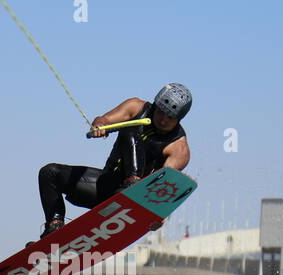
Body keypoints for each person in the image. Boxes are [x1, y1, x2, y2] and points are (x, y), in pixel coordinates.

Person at [33, 83, 192, 243]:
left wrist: (156, 215)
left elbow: (161, 188)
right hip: (105, 187)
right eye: (161, 112)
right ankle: (54, 229)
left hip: (135, 203)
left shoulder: (179, 149)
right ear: (156, 105)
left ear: (179, 119)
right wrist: (100, 125)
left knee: (130, 128)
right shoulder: (135, 107)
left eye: (170, 117)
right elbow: (105, 119)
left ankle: (132, 187)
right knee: (49, 173)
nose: (163, 120)